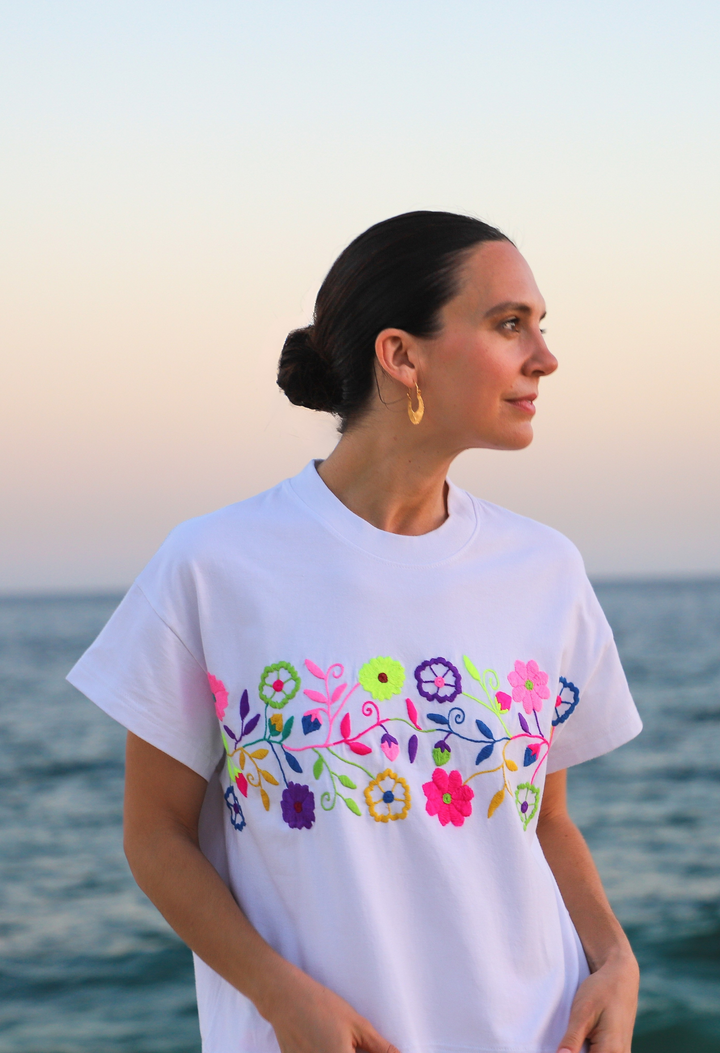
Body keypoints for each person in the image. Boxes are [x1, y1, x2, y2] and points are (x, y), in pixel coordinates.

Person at [67, 210, 642, 1053]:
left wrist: (616, 958)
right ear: (401, 354)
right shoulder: (214, 564)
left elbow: (545, 818)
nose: (544, 356)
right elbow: (154, 833)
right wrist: (279, 997)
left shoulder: (544, 569)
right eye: (508, 324)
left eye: (540, 327)